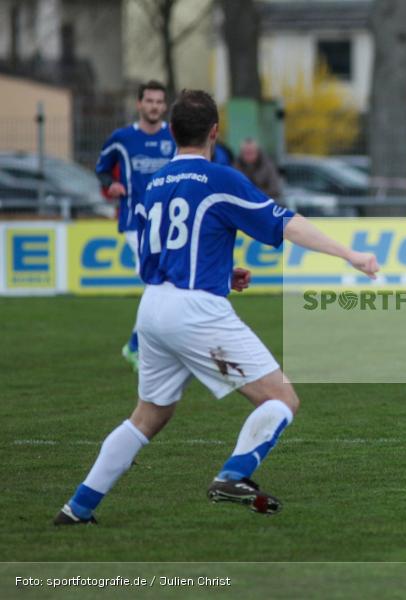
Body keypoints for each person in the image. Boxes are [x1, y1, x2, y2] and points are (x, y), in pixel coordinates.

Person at [54, 90, 380, 525]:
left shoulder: (155, 185)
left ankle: (78, 507)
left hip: (153, 307)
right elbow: (285, 223)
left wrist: (221, 274)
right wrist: (349, 254)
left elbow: (155, 261)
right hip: (196, 312)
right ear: (214, 132)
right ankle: (234, 474)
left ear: (170, 132)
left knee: (148, 416)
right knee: (282, 399)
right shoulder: (219, 178)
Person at [96, 80, 175, 371]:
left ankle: (135, 345)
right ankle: (139, 347)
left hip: (170, 223)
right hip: (135, 223)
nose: (154, 106)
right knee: (157, 283)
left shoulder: (174, 137)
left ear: (164, 106)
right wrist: (111, 184)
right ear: (139, 104)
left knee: (160, 285)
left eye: (159, 101)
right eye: (149, 101)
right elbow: (101, 169)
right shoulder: (122, 138)